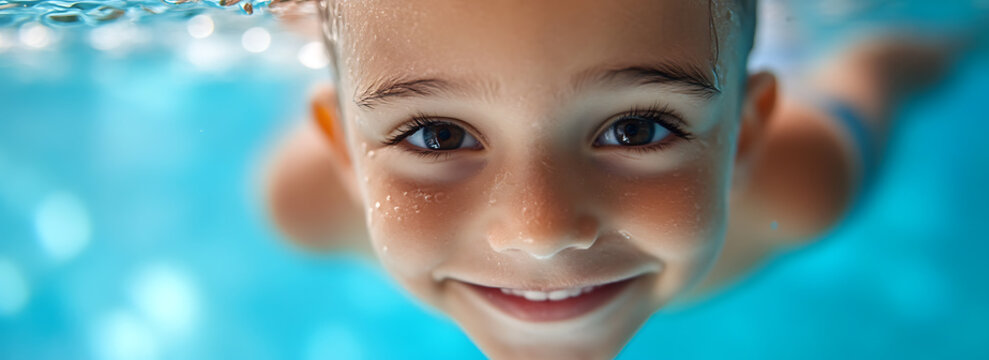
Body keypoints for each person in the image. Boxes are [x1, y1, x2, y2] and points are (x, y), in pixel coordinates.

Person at [263, 0, 949, 358]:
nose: (542, 233)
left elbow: (877, 68)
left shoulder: (804, 178)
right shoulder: (305, 201)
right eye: (437, 136)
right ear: (346, 154)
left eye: (636, 129)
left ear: (744, 135)